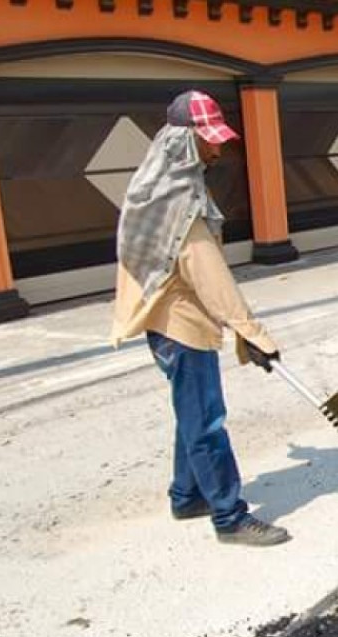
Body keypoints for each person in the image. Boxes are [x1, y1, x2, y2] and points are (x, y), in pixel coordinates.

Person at [111, 90, 290, 547]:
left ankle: (186, 495)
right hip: (180, 326)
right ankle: (229, 517)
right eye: (209, 140)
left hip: (170, 321)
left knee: (191, 413)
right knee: (207, 420)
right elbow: (209, 274)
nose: (218, 148)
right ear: (183, 141)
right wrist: (255, 333)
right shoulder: (179, 203)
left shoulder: (156, 185)